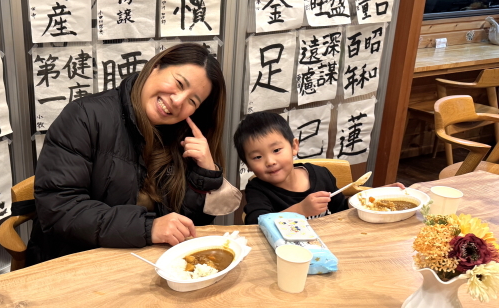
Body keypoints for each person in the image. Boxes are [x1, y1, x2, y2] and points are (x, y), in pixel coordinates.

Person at [30, 43, 241, 264]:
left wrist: (205, 174)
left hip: (144, 266)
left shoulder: (180, 138)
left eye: (192, 101)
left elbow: (186, 228)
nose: (178, 101)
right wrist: (148, 227)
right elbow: (60, 210)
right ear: (155, 67)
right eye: (178, 83)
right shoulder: (85, 116)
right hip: (72, 266)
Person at [235, 111, 404, 225]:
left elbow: (341, 209)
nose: (270, 161)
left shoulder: (321, 175)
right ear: (248, 164)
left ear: (294, 146)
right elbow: (255, 223)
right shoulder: (258, 189)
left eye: (276, 150)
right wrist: (300, 210)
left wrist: (373, 197)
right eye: (257, 157)